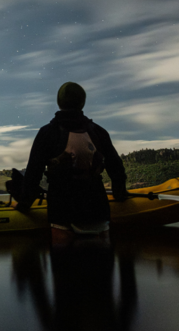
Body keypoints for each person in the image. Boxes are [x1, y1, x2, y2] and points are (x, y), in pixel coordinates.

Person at [11, 82, 129, 245]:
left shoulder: (47, 133)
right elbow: (116, 168)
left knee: (65, 268)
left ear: (59, 103)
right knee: (100, 267)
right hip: (97, 208)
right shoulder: (99, 132)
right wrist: (120, 193)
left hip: (62, 210)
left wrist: (24, 204)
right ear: (82, 102)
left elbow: (33, 173)